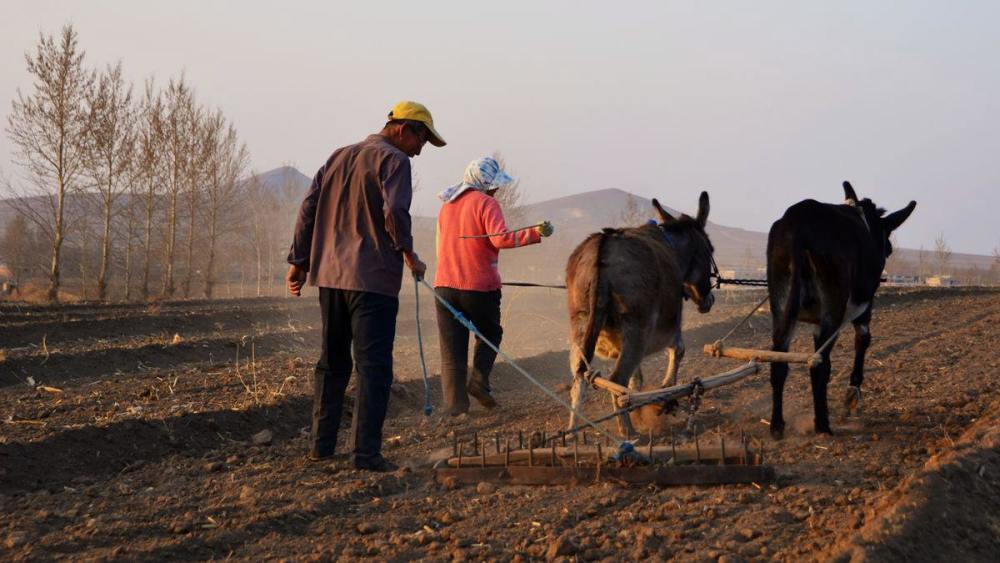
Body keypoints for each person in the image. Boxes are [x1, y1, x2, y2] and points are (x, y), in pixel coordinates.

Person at [286, 101, 445, 471]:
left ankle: (321, 446)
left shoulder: (338, 156)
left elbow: (307, 208)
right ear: (403, 129)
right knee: (374, 368)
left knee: (332, 363)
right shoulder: (394, 161)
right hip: (371, 279)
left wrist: (299, 262)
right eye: (422, 139)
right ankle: (365, 454)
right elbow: (395, 212)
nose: (421, 150)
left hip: (329, 276)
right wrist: (408, 252)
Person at [433, 156, 554, 416]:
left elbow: (440, 247)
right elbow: (500, 239)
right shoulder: (487, 203)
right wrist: (536, 232)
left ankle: (455, 408)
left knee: (452, 348)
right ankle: (478, 383)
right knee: (489, 334)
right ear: (485, 183)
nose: (497, 189)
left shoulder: (447, 206)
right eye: (495, 184)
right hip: (479, 288)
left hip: (443, 286)